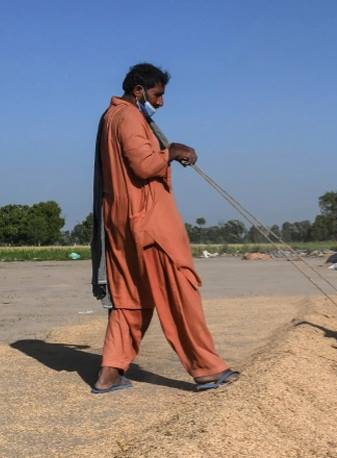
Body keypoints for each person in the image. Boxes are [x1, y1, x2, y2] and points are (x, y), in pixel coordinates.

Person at [90, 63, 239, 393]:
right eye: (157, 94)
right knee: (179, 291)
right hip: (148, 224)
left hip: (121, 225)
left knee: (131, 299)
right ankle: (207, 370)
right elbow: (143, 166)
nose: (161, 102)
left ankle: (109, 374)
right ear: (139, 91)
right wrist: (171, 152)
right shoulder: (128, 117)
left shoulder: (111, 116)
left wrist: (167, 152)